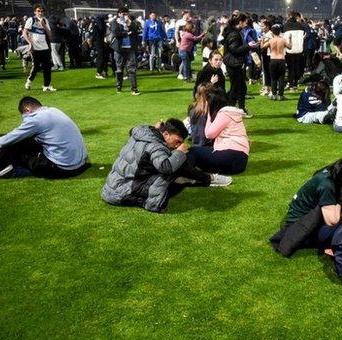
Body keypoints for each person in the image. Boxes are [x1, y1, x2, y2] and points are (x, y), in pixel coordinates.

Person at [101, 119, 230, 213]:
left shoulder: (143, 134)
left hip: (111, 187)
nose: (176, 145)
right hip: (120, 193)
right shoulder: (156, 146)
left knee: (176, 164)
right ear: (166, 134)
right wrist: (180, 152)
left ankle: (205, 179)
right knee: (175, 166)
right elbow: (166, 167)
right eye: (177, 141)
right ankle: (209, 179)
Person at [0, 97, 89, 179]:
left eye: (24, 116)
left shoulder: (36, 119)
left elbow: (7, 140)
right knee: (26, 143)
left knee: (13, 144)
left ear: (27, 110)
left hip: (62, 168)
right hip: (80, 164)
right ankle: (5, 166)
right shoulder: (53, 110)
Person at [270, 153, 342, 256]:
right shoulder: (327, 186)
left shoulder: (329, 172)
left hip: (304, 218)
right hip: (298, 227)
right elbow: (332, 221)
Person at [186, 88, 250, 175]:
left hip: (231, 155)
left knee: (191, 151)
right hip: (240, 161)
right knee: (201, 156)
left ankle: (189, 175)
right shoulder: (232, 113)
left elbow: (209, 134)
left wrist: (208, 115)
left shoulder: (224, 114)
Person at [223, 14, 257, 117]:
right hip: (233, 63)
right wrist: (248, 46)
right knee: (236, 88)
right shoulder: (234, 34)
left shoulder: (234, 32)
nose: (246, 23)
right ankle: (231, 110)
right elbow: (234, 50)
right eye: (245, 21)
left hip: (235, 63)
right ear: (240, 22)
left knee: (240, 87)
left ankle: (239, 109)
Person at [23, 4, 56, 92]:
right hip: (35, 47)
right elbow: (24, 33)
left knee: (47, 67)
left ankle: (46, 86)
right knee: (36, 67)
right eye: (38, 11)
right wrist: (30, 43)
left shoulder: (45, 20)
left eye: (41, 11)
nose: (40, 13)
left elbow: (50, 35)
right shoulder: (31, 19)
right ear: (35, 12)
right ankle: (29, 81)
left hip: (44, 47)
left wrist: (44, 26)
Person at [111, 7, 141, 95]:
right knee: (119, 69)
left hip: (130, 48)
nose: (125, 16)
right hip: (119, 49)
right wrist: (126, 33)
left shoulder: (130, 22)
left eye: (126, 14)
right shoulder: (115, 22)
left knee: (132, 69)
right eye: (123, 14)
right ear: (119, 14)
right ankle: (119, 86)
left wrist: (130, 24)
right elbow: (116, 33)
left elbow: (136, 31)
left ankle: (134, 89)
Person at [262, 24, 292, 101]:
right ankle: (281, 95)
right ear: (279, 32)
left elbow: (262, 47)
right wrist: (290, 39)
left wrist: (262, 39)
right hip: (281, 60)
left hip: (273, 60)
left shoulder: (271, 40)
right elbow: (290, 47)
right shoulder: (283, 40)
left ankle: (274, 95)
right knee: (281, 78)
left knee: (273, 78)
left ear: (272, 33)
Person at [283, 12, 305, 91]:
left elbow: (284, 38)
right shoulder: (300, 25)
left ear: (289, 17)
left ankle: (291, 84)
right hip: (299, 50)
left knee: (290, 68)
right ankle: (295, 83)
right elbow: (304, 36)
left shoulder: (285, 26)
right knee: (297, 67)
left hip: (289, 50)